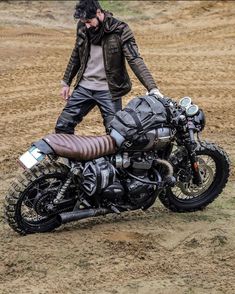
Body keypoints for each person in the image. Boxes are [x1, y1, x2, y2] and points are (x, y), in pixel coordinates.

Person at [55, 0, 163, 135]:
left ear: (99, 13)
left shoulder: (120, 30)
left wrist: (152, 88)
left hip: (109, 91)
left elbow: (135, 59)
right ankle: (69, 157)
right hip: (84, 87)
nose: (87, 26)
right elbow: (77, 53)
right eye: (84, 22)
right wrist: (66, 82)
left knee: (116, 134)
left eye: (89, 21)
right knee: (62, 126)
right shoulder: (82, 26)